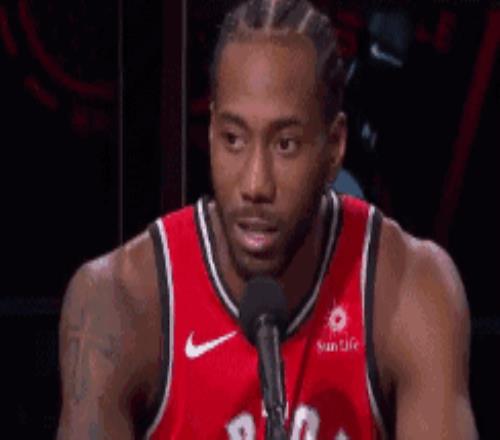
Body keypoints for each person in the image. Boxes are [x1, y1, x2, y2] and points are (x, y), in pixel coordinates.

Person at [57, 0, 478, 438]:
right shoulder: (118, 301)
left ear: (334, 147)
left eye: (286, 145)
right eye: (234, 139)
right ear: (211, 133)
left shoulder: (410, 289)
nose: (255, 184)